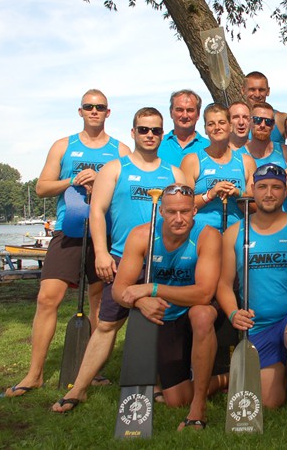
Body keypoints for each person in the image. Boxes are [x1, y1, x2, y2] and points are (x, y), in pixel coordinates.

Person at [51, 107, 186, 412]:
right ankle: (79, 389)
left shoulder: (174, 174)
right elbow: (97, 211)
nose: (149, 135)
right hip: (122, 258)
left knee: (163, 321)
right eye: (143, 130)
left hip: (163, 261)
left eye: (155, 130)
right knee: (107, 324)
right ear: (133, 132)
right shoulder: (114, 169)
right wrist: (101, 252)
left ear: (162, 134)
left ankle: (160, 384)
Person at [3, 89, 131, 398]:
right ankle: (34, 374)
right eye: (89, 106)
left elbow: (126, 192)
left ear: (108, 112)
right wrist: (72, 181)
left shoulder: (120, 150)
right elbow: (42, 187)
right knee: (48, 298)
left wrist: (102, 183)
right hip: (68, 231)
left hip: (104, 234)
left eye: (100, 107)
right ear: (80, 111)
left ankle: (93, 371)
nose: (94, 111)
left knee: (99, 303)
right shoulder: (64, 146)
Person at [111, 184, 222, 430]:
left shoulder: (208, 236)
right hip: (165, 314)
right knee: (175, 400)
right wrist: (140, 301)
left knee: (202, 314)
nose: (179, 219)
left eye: (185, 211)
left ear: (194, 210)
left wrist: (152, 289)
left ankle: (198, 407)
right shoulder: (142, 235)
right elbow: (119, 290)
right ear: (161, 211)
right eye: (171, 212)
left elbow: (204, 293)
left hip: (196, 308)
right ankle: (224, 379)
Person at [217, 163, 287, 408]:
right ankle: (286, 366)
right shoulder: (234, 233)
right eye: (262, 186)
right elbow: (223, 284)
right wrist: (233, 313)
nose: (269, 193)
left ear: (285, 191)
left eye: (276, 187)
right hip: (259, 324)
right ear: (253, 190)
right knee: (269, 402)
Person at [180, 103, 255, 232]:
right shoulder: (192, 160)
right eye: (211, 124)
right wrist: (210, 194)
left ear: (230, 126)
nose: (217, 128)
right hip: (201, 233)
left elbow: (255, 208)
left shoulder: (246, 161)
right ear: (205, 129)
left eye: (222, 123)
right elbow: (182, 205)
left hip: (236, 232)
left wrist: (238, 193)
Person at [157, 90, 210, 167]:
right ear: (171, 113)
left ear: (198, 114)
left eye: (190, 110)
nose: (185, 115)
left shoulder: (209, 147)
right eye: (179, 110)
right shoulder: (157, 145)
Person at [241, 71, 286, 142]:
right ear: (243, 90)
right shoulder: (235, 120)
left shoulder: (280, 119)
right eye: (252, 89)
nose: (257, 95)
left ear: (268, 91)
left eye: (261, 90)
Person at [244, 102, 287, 167]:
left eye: (268, 121)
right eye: (257, 120)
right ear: (249, 122)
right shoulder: (238, 155)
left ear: (273, 125)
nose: (262, 125)